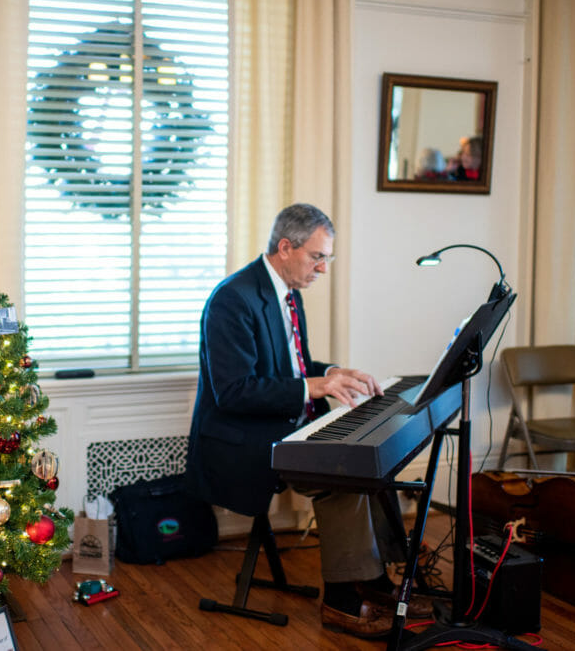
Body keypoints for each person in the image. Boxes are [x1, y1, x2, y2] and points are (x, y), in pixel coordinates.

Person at [184, 203, 431, 638]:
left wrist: (331, 372)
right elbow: (235, 390)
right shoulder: (233, 300)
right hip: (241, 444)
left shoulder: (287, 292)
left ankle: (375, 580)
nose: (323, 268)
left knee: (371, 461)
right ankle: (341, 601)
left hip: (283, 429)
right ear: (285, 247)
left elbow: (290, 367)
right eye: (318, 257)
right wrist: (314, 387)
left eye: (326, 258)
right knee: (343, 474)